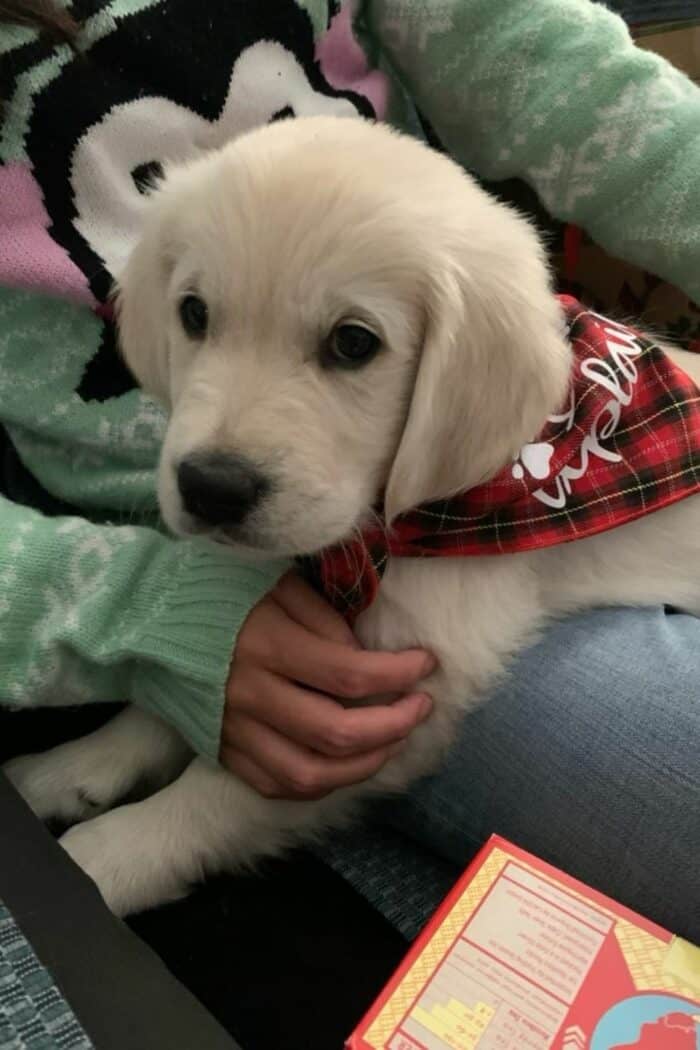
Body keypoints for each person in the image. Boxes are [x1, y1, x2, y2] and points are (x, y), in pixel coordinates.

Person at [0, 0, 698, 944]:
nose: (222, 447)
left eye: (350, 343)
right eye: (198, 317)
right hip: (139, 578)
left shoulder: (503, 426)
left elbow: (409, 701)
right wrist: (130, 675)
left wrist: (148, 842)